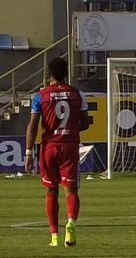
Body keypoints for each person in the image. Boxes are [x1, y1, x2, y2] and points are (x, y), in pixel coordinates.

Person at [25, 57, 89, 247]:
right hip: (69, 146)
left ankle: (54, 236)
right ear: (66, 73)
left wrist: (29, 153)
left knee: (51, 190)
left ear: (48, 74)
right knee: (71, 190)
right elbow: (85, 123)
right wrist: (69, 128)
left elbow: (32, 126)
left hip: (49, 147)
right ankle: (71, 222)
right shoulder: (78, 94)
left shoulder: (41, 95)